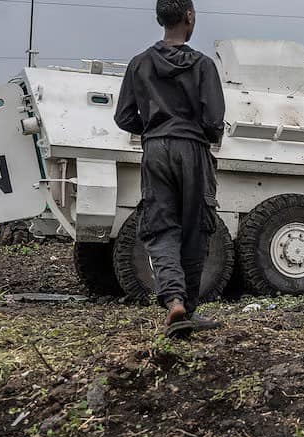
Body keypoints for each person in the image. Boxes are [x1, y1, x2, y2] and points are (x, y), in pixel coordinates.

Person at [115, 0, 226, 338]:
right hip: (192, 149)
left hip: (155, 150)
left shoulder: (139, 64)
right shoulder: (203, 66)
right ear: (189, 17)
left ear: (160, 19)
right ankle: (187, 309)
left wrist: (153, 128)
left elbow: (122, 117)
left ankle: (174, 302)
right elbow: (213, 119)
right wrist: (201, 132)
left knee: (161, 227)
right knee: (195, 229)